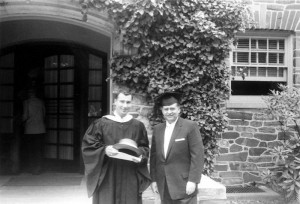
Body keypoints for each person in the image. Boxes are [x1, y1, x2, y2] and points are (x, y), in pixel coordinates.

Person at [81, 91, 151, 204]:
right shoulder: (101, 123)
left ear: (131, 104)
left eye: (128, 102)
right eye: (121, 101)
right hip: (108, 173)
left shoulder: (138, 126)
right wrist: (104, 150)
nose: (124, 105)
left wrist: (140, 156)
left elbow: (144, 147)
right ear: (115, 102)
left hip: (130, 173)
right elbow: (89, 145)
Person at [150, 92, 204, 204]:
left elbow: (197, 155)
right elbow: (154, 157)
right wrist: (154, 180)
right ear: (162, 110)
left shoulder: (190, 126)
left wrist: (193, 180)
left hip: (184, 185)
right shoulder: (157, 129)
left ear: (179, 109)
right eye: (166, 109)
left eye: (172, 108)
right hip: (164, 185)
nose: (169, 112)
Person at [22, 88, 46, 175]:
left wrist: (19, 120)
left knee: (31, 150)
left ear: (29, 93)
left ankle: (32, 168)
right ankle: (39, 168)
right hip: (40, 128)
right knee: (38, 149)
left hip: (30, 129)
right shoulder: (40, 102)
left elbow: (25, 116)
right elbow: (44, 114)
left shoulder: (26, 102)